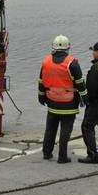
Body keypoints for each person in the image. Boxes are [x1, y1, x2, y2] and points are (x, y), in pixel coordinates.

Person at [38, 35, 88, 163]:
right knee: (65, 130)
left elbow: (41, 82)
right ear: (68, 48)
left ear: (53, 47)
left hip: (52, 101)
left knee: (50, 128)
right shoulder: (72, 63)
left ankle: (47, 153)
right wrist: (86, 98)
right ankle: (62, 156)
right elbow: (80, 83)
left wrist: (41, 97)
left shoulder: (46, 62)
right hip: (69, 103)